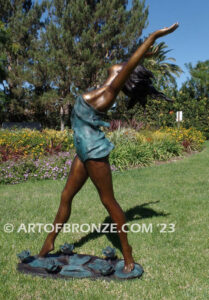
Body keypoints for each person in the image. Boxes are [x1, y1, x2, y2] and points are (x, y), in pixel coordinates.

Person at [38, 23, 179, 273]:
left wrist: (153, 37)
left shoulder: (109, 93)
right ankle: (49, 241)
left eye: (126, 68)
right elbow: (129, 62)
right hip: (82, 152)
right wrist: (140, 57)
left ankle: (128, 254)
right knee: (65, 196)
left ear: (124, 77)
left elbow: (130, 62)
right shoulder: (105, 86)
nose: (122, 65)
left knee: (108, 201)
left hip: (94, 152)